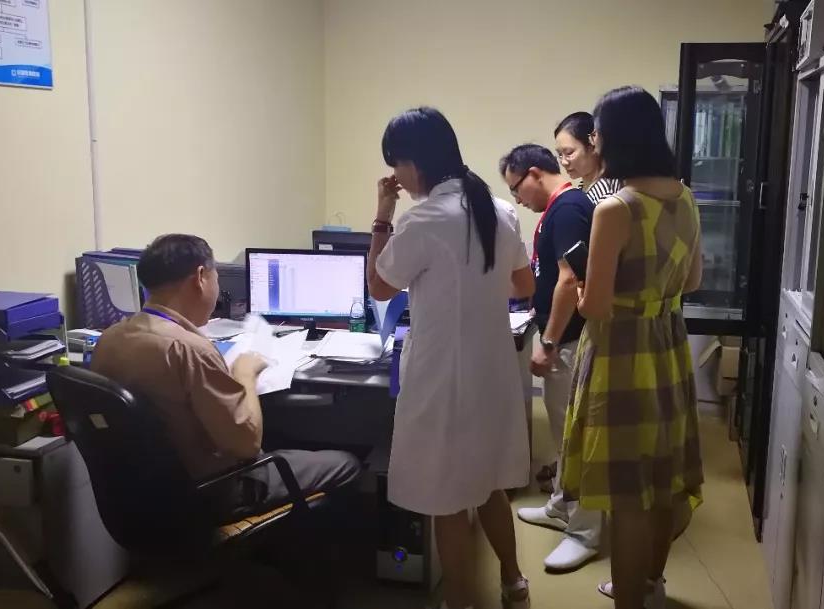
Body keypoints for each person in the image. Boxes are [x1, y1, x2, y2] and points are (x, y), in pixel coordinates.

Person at [366, 107, 536, 609]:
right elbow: (523, 284)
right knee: (489, 484)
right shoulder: (499, 210)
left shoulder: (423, 220)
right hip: (492, 372)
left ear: (415, 162)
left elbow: (379, 287)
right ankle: (514, 582)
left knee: (447, 500)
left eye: (396, 165)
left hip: (443, 379)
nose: (395, 177)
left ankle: (460, 601)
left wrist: (382, 213)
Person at [91, 234, 362, 523]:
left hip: (141, 497)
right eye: (216, 277)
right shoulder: (189, 349)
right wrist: (244, 374)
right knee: (347, 463)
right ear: (200, 277)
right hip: (214, 493)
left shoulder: (110, 338)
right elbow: (247, 445)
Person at [560, 86, 704, 609]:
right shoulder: (684, 196)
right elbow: (693, 281)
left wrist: (579, 287)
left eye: (596, 131)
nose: (594, 140)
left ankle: (629, 601)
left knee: (627, 496)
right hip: (667, 346)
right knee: (662, 479)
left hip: (622, 355)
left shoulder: (616, 208)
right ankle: (650, 585)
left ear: (614, 137)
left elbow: (596, 306)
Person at [499, 144, 602, 573]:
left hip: (571, 341)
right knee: (563, 434)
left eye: (516, 189)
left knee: (577, 438)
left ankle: (586, 532)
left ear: (535, 174)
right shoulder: (561, 209)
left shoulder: (569, 209)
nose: (518, 199)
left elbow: (570, 279)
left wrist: (549, 341)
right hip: (562, 336)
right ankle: (561, 505)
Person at [554, 111, 622, 204]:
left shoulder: (607, 196)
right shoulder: (581, 189)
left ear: (592, 144)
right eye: (560, 154)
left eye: (569, 153)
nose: (563, 162)